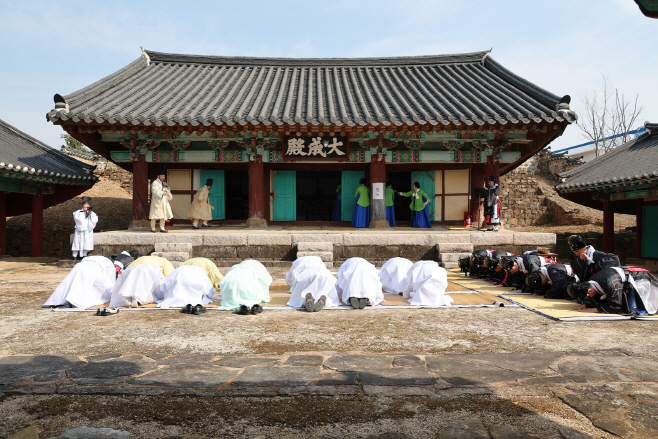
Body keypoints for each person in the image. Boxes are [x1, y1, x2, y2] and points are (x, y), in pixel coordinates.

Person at [568, 267, 658, 315]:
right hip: (621, 278)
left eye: (586, 296)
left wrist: (595, 309)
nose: (587, 298)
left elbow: (616, 305)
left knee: (636, 308)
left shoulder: (610, 283)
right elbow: (598, 297)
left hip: (640, 280)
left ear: (590, 290)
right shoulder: (592, 281)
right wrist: (587, 305)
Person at [43, 255, 116, 309]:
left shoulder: (98, 258)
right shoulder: (109, 263)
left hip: (79, 266)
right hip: (94, 268)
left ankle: (59, 300)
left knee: (72, 283)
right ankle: (78, 300)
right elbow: (110, 279)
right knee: (91, 286)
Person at [150, 168, 173, 233]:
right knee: (154, 215)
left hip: (164, 201)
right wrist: (162, 193)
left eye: (164, 176)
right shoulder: (155, 183)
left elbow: (167, 190)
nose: (163, 177)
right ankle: (153, 227)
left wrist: (166, 186)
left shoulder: (163, 183)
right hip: (157, 201)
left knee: (163, 215)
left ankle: (162, 227)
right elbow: (154, 191)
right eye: (162, 176)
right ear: (158, 176)